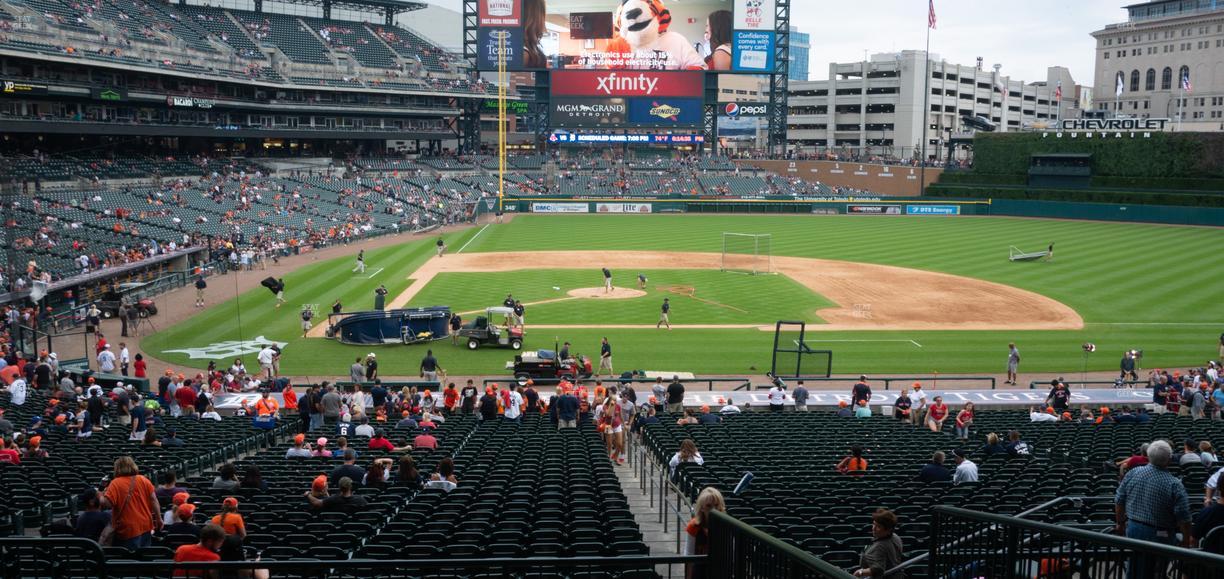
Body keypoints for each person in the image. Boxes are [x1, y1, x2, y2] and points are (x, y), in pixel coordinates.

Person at [1115, 440, 1193, 578]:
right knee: (1156, 570)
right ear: (1169, 459)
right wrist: (1186, 541)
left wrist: (1120, 523)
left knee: (1134, 568)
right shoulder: (1174, 484)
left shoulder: (1133, 473)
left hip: (1134, 529)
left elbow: (1119, 501)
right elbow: (1184, 517)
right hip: (1161, 535)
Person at [101, 456, 162, 549]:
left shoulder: (115, 483)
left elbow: (107, 504)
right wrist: (159, 519)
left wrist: (102, 493)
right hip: (146, 525)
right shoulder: (143, 479)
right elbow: (154, 500)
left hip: (127, 528)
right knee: (144, 557)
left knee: (130, 560)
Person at [684, 487, 726, 579]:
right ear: (702, 508)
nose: (713, 509)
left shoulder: (726, 526)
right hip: (699, 573)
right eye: (708, 506)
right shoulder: (693, 526)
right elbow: (688, 555)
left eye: (716, 505)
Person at [853, 508, 904, 578]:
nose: (873, 528)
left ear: (888, 530)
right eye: (874, 524)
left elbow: (877, 570)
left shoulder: (879, 547)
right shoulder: (895, 537)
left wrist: (860, 572)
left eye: (878, 527)